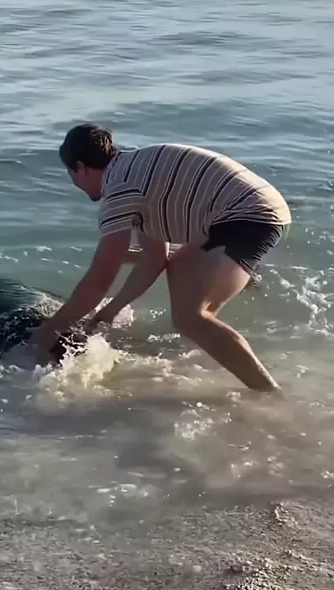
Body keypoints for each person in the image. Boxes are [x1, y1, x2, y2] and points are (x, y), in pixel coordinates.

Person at [29, 124, 291, 391]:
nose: (74, 182)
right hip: (250, 209)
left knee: (192, 318)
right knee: (180, 269)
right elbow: (154, 259)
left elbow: (100, 280)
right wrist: (109, 312)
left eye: (70, 173)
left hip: (250, 215)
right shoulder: (135, 172)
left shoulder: (119, 191)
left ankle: (269, 393)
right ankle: (216, 344)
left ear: (80, 167)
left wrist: (51, 329)